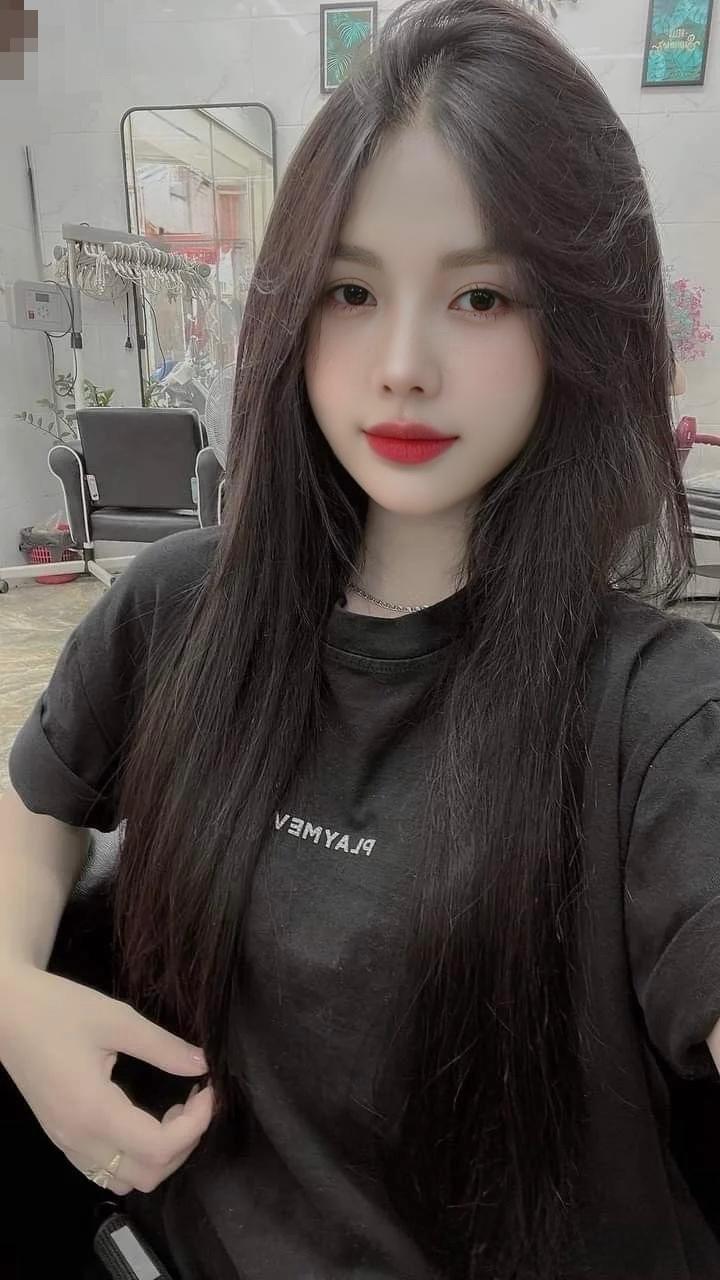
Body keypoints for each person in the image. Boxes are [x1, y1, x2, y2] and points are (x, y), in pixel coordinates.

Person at [2, 0, 720, 1276]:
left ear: (578, 322)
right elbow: (34, 804)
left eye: (482, 295)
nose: (401, 363)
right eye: (351, 289)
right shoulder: (177, 607)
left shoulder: (657, 713)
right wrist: (11, 994)